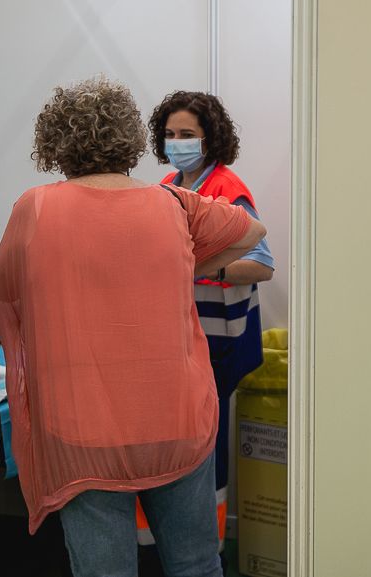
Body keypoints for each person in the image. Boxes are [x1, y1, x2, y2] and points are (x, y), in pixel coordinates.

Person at [0, 76, 265, 577]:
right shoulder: (173, 204)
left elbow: (5, 287)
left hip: (83, 426)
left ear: (56, 143)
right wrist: (190, 264)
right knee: (197, 565)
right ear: (131, 139)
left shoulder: (36, 208)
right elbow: (253, 234)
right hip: (175, 418)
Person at [141, 91, 275, 551]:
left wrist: (206, 268)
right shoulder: (166, 187)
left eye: (188, 135)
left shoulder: (227, 190)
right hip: (180, 343)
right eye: (171, 134)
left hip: (220, 345)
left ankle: (206, 549)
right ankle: (170, 545)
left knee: (206, 451)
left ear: (210, 138)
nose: (177, 142)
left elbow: (262, 264)